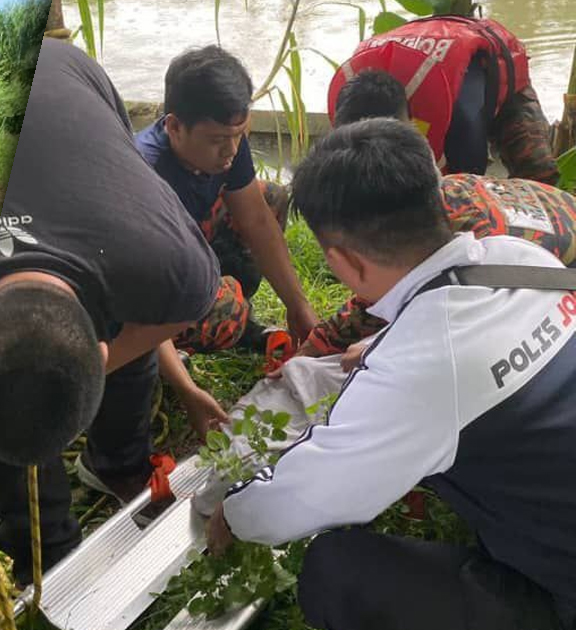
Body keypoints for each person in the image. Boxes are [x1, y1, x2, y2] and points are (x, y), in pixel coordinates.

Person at [208, 118, 576, 630]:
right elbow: (459, 333)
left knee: (334, 571)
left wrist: (235, 511)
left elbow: (300, 500)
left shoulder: (423, 371)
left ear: (343, 261)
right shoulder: (523, 258)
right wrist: (384, 347)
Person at [0, 38, 221, 586]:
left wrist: (98, 377)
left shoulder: (171, 262)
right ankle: (50, 560)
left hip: (66, 77)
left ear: (101, 347)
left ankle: (117, 462)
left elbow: (170, 318)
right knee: (17, 407)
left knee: (56, 382)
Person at [299, 88, 576, 360]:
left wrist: (378, 349)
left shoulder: (475, 259)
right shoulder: (443, 190)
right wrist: (318, 343)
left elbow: (450, 337)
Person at [135, 46, 319, 363]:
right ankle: (210, 332)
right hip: (148, 290)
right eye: (218, 140)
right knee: (227, 311)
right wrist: (186, 389)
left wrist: (299, 307)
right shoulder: (145, 178)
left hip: (188, 246)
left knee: (270, 197)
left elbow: (257, 220)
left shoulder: (226, 142)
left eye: (239, 134)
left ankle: (232, 306)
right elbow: (139, 297)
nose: (231, 150)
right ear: (175, 127)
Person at [327, 16, 557, 184]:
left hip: (491, 72)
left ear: (407, 122)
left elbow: (468, 182)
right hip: (429, 67)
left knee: (539, 172)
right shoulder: (351, 94)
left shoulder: (463, 118)